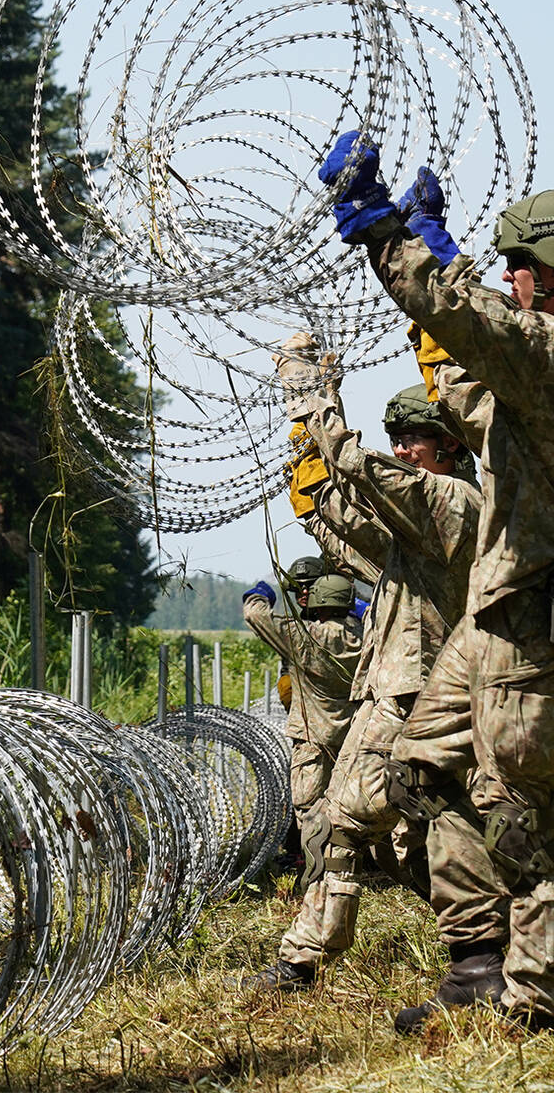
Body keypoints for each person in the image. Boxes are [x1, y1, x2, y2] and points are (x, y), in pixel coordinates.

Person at [321, 133, 554, 1029]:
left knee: (529, 811)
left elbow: (477, 325)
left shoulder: (547, 356)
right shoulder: (528, 372)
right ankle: (477, 961)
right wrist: (442, 256)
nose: (512, 282)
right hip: (499, 618)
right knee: (424, 764)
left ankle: (530, 1003)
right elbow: (471, 362)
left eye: (518, 267)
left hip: (528, 617)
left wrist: (385, 232)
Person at [244, 345, 492, 998]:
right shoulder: (420, 521)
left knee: (353, 822)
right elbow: (344, 515)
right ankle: (486, 944)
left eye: (417, 440)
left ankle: (306, 958)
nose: (405, 451)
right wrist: (308, 444)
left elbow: (364, 474)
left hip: (420, 697)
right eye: (399, 440)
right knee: (411, 835)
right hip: (401, 693)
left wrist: (312, 396)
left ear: (450, 446)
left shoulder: (454, 504)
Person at [243, 562, 361, 833]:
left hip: (313, 741)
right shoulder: (368, 635)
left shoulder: (308, 636)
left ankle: (318, 871)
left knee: (310, 813)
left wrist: (260, 593)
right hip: (354, 739)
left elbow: (255, 615)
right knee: (351, 809)